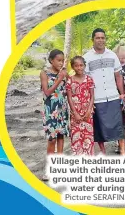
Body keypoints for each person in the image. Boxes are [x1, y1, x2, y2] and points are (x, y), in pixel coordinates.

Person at [83, 28, 125, 155]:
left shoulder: (112, 55)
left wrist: (122, 94)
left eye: (103, 38)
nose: (101, 40)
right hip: (97, 98)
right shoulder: (87, 58)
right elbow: (85, 80)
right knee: (99, 127)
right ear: (93, 40)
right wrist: (89, 101)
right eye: (98, 38)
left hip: (113, 96)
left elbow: (118, 76)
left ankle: (122, 151)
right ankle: (103, 152)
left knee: (118, 125)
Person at [40, 49, 69, 181]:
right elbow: (47, 92)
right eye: (58, 60)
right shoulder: (44, 73)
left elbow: (68, 91)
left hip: (62, 110)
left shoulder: (64, 73)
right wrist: (59, 79)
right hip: (50, 111)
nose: (61, 63)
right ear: (51, 60)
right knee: (52, 140)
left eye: (62, 60)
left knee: (61, 137)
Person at [66, 56, 95, 156]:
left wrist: (88, 111)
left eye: (81, 65)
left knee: (88, 137)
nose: (79, 68)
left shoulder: (89, 79)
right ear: (73, 67)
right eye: (76, 66)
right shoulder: (70, 80)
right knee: (76, 138)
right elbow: (69, 98)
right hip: (75, 114)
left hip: (87, 113)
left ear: (84, 66)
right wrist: (75, 113)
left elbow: (92, 96)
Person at [113, 40, 125, 153]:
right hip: (118, 95)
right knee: (119, 119)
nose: (123, 60)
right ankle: (118, 143)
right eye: (121, 58)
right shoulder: (114, 66)